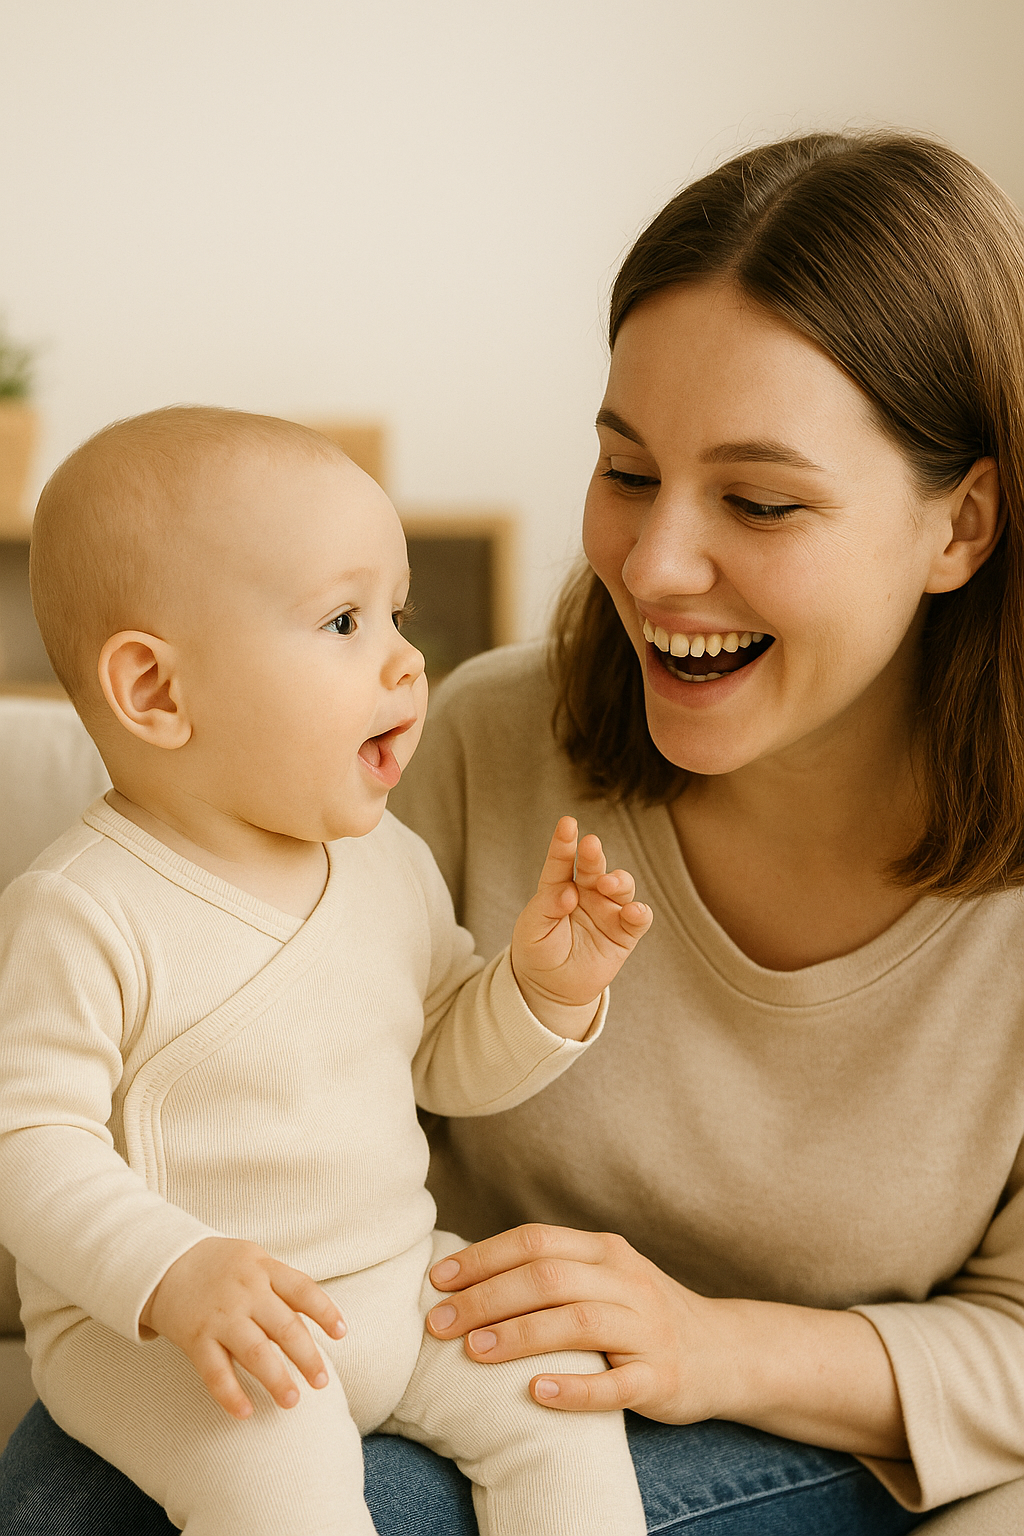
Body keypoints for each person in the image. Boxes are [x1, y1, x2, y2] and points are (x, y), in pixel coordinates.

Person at [3, 126, 1023, 1534]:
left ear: (963, 524)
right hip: (396, 1335)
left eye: (762, 499)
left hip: (767, 1421)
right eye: (625, 469)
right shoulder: (472, 745)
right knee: (97, 1471)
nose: (654, 565)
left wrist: (703, 1342)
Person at [0, 407, 652, 1535]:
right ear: (157, 692)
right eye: (345, 619)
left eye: (397, 612)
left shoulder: (383, 861)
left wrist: (542, 989)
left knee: (557, 1396)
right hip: (164, 1333)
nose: (405, 657)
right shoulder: (83, 909)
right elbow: (26, 1142)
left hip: (388, 1284)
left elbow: (445, 1052)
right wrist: (174, 1270)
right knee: (282, 1458)